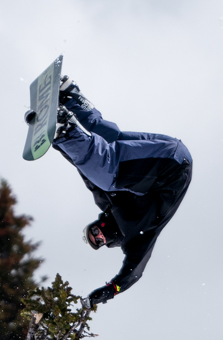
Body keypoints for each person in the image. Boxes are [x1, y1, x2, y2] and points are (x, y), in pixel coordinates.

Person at [53, 77, 193, 307]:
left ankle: (69, 96)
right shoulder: (136, 239)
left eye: (94, 233)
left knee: (108, 140)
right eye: (98, 239)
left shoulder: (107, 203)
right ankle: (66, 130)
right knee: (108, 171)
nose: (99, 234)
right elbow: (132, 273)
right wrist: (109, 291)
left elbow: (84, 170)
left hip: (167, 152)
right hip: (170, 170)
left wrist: (56, 145)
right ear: (106, 244)